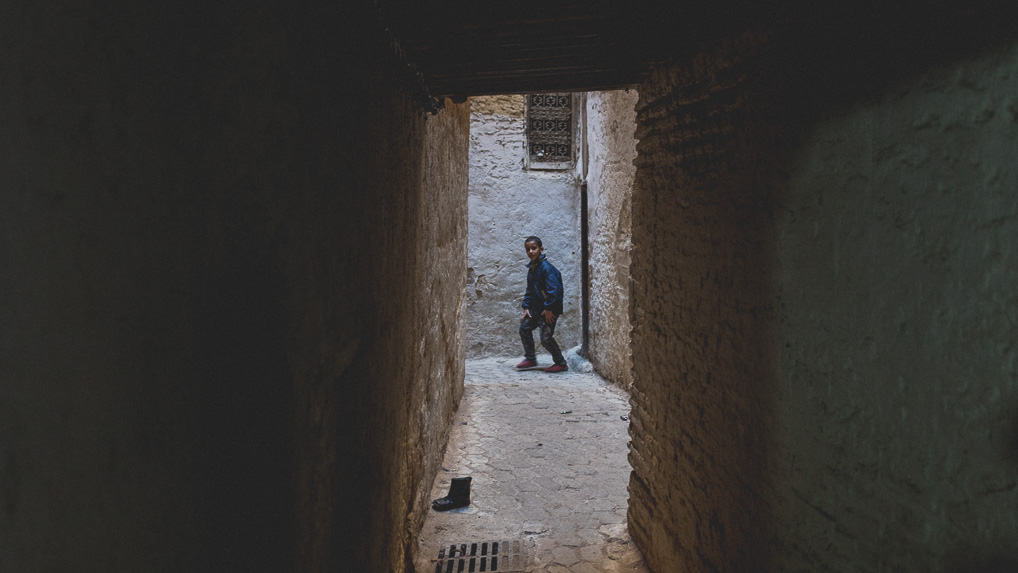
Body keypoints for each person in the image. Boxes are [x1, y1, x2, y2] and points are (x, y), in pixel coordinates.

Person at [516, 236, 568, 373]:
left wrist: (550, 308)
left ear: (541, 249)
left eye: (534, 248)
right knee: (524, 327)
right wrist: (526, 307)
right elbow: (530, 289)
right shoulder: (533, 268)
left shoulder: (546, 268)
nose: (531, 252)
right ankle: (530, 358)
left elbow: (554, 290)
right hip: (536, 309)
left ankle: (561, 363)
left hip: (549, 309)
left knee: (546, 338)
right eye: (528, 249)